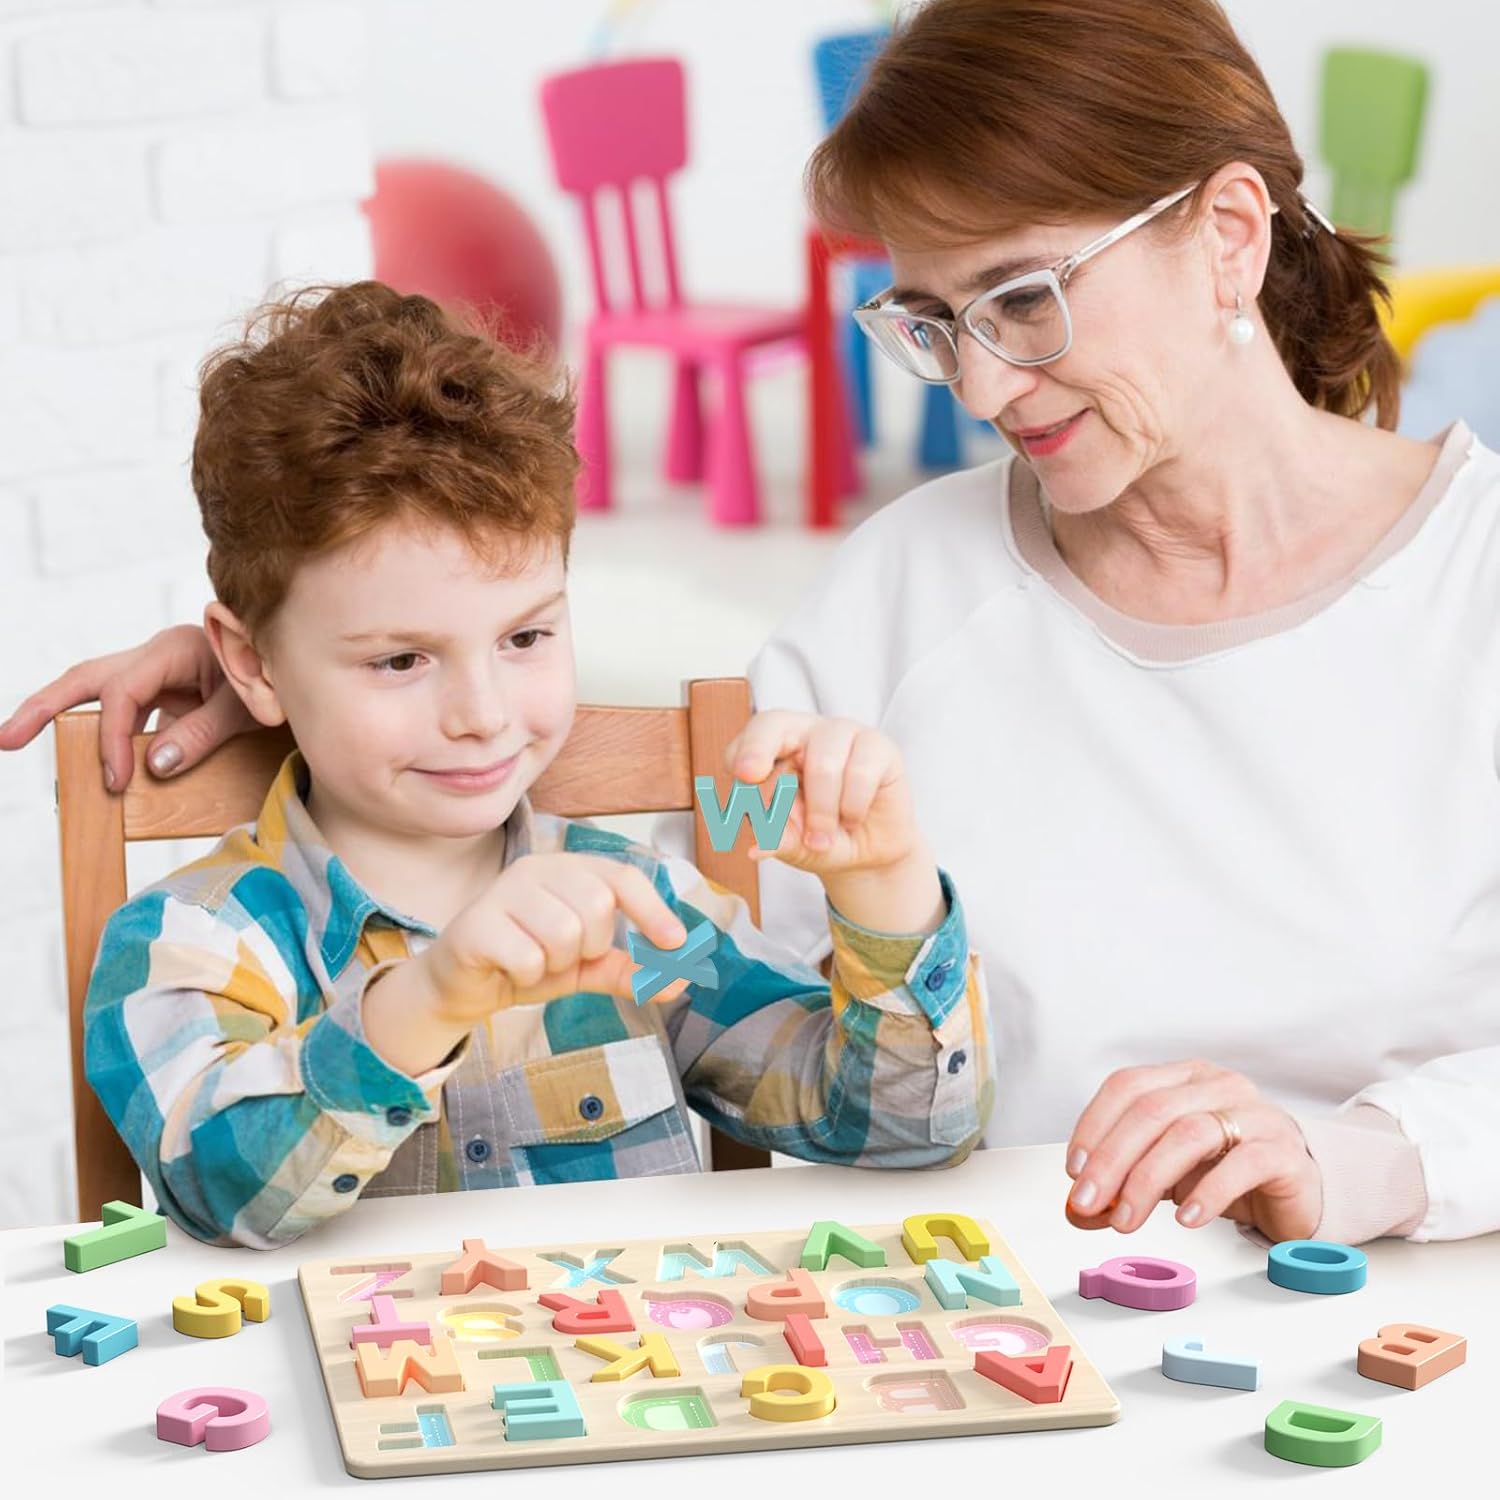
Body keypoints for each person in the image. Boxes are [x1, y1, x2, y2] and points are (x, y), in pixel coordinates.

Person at [6, 0, 1496, 1246]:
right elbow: (698, 856)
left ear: (1231, 234)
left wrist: (1366, 1160)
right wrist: (295, 665)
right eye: (929, 320)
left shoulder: (1468, 582)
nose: (972, 392)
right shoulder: (905, 583)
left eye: (1022, 301)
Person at [50, 280, 990, 1250]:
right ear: (251, 664)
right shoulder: (195, 943)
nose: (484, 715)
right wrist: (426, 1000)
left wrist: (885, 889)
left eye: (527, 636)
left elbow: (906, 1130)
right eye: (401, 660)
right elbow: (222, 1190)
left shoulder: (638, 906)